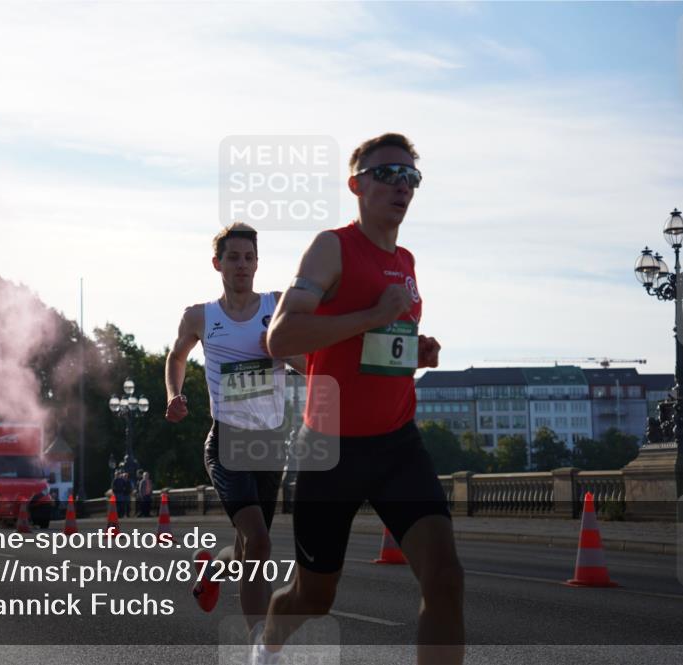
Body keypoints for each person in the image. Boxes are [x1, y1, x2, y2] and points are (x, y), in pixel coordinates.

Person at [253, 133, 464, 665]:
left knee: (445, 577)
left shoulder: (406, 261)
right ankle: (267, 647)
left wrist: (415, 351)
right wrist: (372, 316)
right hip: (328, 449)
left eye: (411, 176)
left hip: (397, 446)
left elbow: (375, 351)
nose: (401, 185)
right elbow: (281, 337)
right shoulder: (333, 247)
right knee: (313, 599)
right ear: (356, 185)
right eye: (387, 174)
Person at [165, 222, 304, 641]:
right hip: (226, 441)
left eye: (249, 258)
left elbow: (309, 363)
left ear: (257, 263)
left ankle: (211, 571)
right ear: (217, 263)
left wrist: (280, 349)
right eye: (233, 258)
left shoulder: (278, 305)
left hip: (269, 445)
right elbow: (176, 357)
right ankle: (262, 645)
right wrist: (174, 394)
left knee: (247, 548)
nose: (242, 265)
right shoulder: (200, 316)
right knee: (259, 542)